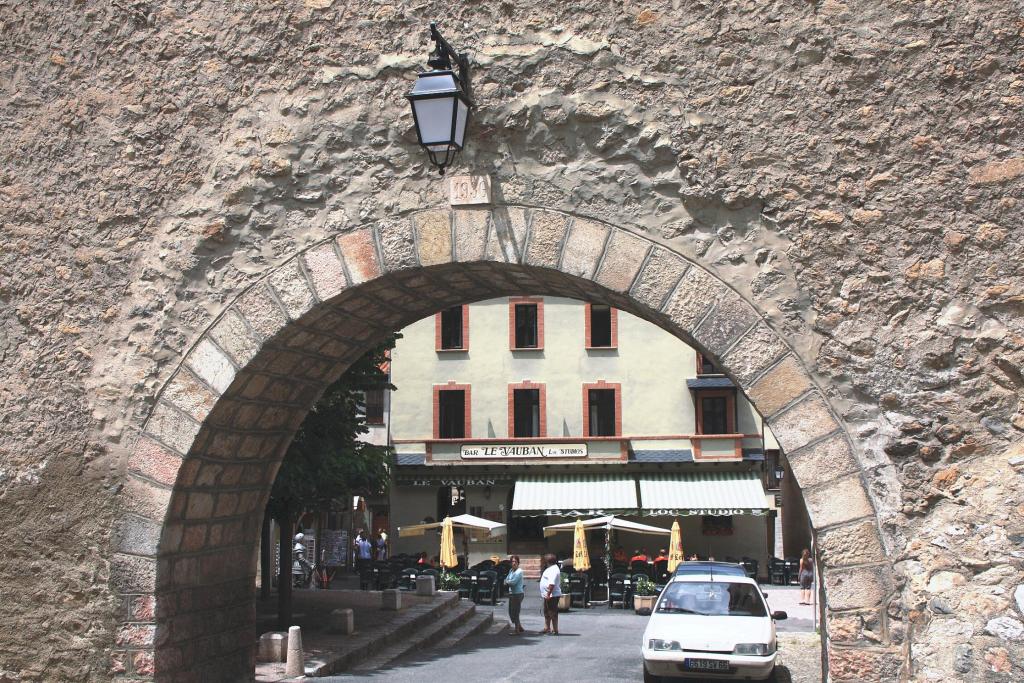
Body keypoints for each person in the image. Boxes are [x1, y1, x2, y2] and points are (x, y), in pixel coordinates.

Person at [539, 553, 562, 635]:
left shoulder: (553, 570)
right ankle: (547, 628)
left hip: (552, 595)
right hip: (548, 595)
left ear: (547, 561)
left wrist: (548, 594)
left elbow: (551, 584)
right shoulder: (551, 568)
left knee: (552, 612)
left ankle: (555, 630)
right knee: (546, 612)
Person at [503, 555, 525, 634]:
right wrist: (507, 581)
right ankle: (519, 627)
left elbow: (513, 582)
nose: (514, 563)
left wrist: (507, 582)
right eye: (512, 561)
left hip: (517, 593)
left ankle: (517, 630)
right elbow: (507, 578)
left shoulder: (519, 572)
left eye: (515, 561)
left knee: (515, 611)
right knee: (511, 611)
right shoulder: (511, 570)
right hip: (512, 593)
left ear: (518, 563)